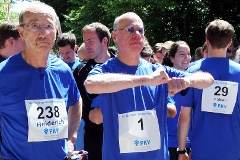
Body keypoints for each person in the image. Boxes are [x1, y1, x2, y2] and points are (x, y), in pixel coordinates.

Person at [84, 12, 214, 160]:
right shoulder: (107, 70)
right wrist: (146, 80)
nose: (137, 34)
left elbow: (208, 80)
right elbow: (91, 85)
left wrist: (187, 82)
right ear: (115, 37)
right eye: (130, 29)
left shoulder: (157, 70)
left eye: (141, 30)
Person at [0, 2, 82, 159]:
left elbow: (76, 100)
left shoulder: (62, 69)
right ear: (21, 32)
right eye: (35, 25)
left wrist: (71, 138)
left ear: (56, 31)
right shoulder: (3, 74)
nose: (43, 33)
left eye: (49, 26)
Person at [178, 19, 240, 160]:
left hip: (201, 149)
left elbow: (184, 116)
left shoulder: (193, 73)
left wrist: (181, 151)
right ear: (229, 42)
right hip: (234, 149)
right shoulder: (239, 73)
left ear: (207, 40)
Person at [73, 22, 114, 160]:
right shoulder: (80, 71)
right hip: (94, 137)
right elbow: (74, 103)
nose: (86, 46)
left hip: (122, 134)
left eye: (90, 41)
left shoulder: (122, 65)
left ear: (104, 41)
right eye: (84, 41)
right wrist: (89, 114)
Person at [162, 41, 192, 160]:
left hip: (188, 143)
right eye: (181, 54)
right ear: (172, 58)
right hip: (166, 143)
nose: (186, 58)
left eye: (189, 54)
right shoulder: (163, 81)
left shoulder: (193, 80)